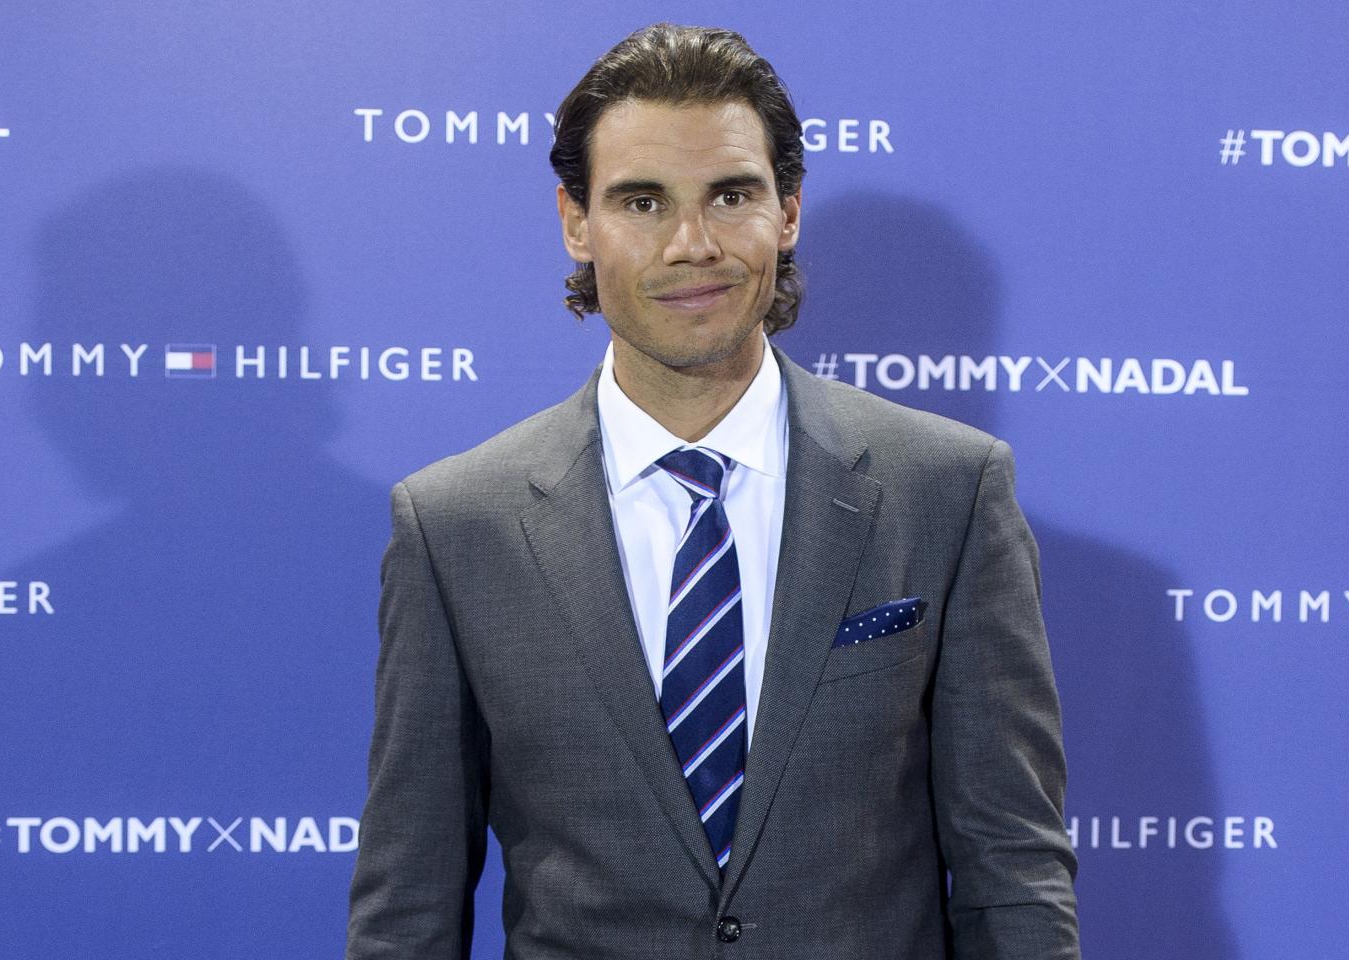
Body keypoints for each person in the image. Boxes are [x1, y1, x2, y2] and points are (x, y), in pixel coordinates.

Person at [347, 23, 1079, 959]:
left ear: (789, 211)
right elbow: (408, 903)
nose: (692, 244)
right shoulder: (456, 526)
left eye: (731, 194)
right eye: (642, 201)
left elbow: (1012, 869)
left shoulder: (949, 489)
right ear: (576, 220)